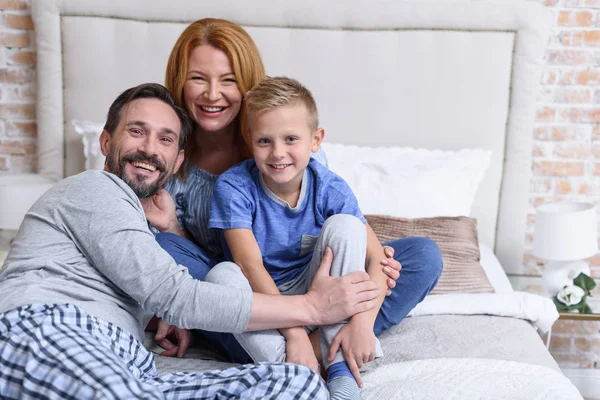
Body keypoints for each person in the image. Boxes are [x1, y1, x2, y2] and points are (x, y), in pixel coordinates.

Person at [0, 83, 383, 400]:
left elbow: (153, 284)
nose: (150, 148)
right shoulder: (94, 187)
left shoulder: (145, 223)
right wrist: (313, 309)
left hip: (130, 364)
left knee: (296, 386)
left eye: (164, 139)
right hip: (51, 326)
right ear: (104, 141)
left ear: (178, 160)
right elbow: (177, 295)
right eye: (136, 131)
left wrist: (169, 237)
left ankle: (324, 356)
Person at [147, 17, 404, 361]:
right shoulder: (170, 159)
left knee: (417, 257)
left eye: (228, 80)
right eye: (198, 79)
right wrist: (172, 228)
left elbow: (346, 222)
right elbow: (208, 266)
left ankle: (311, 343)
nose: (212, 94)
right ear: (180, 83)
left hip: (304, 273)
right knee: (174, 253)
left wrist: (375, 265)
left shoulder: (287, 147)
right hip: (235, 290)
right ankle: (317, 344)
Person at [208, 76, 393, 400]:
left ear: (315, 140)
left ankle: (338, 365)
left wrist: (363, 324)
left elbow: (377, 258)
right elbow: (249, 268)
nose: (278, 153)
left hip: (321, 289)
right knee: (220, 276)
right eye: (264, 141)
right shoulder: (234, 187)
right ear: (249, 139)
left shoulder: (330, 187)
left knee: (347, 226)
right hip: (265, 300)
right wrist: (294, 332)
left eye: (291, 139)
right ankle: (294, 369)